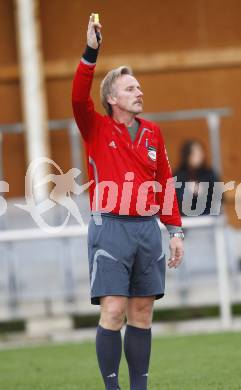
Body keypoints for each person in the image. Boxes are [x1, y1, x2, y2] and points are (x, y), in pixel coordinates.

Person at [72, 14, 184, 390]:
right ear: (112, 98)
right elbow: (76, 95)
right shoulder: (95, 127)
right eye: (131, 88)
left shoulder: (153, 132)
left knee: (142, 312)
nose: (139, 92)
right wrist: (91, 50)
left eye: (139, 86)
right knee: (114, 310)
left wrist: (175, 230)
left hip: (147, 230)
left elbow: (165, 181)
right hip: (111, 229)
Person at [174, 140, 219, 216]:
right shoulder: (178, 175)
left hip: (207, 218)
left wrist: (203, 191)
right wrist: (187, 190)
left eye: (201, 153)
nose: (200, 156)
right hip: (185, 221)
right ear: (187, 156)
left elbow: (219, 196)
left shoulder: (209, 174)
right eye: (196, 154)